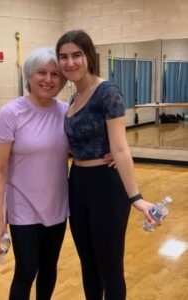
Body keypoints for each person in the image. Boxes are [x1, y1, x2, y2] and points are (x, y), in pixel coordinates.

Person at [56, 29, 154, 300]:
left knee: (110, 268)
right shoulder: (73, 99)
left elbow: (120, 147)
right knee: (88, 264)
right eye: (63, 57)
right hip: (77, 185)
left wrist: (136, 197)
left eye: (76, 55)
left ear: (89, 57)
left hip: (106, 187)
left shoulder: (107, 92)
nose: (70, 62)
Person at [0, 47, 69, 300]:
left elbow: (81, 149)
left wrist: (107, 154)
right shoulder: (11, 113)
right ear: (29, 76)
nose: (48, 79)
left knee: (49, 268)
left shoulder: (67, 111)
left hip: (57, 207)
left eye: (55, 74)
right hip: (23, 207)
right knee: (26, 270)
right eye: (41, 73)